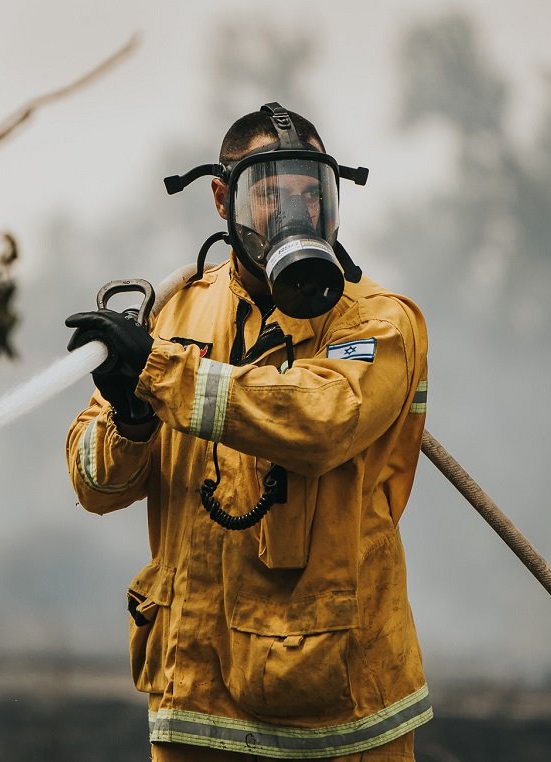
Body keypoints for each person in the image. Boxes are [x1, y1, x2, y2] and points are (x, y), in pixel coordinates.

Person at [65, 103, 431, 761]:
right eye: (271, 195)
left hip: (338, 715)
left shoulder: (375, 323)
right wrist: (133, 416)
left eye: (309, 196)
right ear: (221, 197)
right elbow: (93, 481)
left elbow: (322, 419)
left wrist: (161, 375)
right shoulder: (171, 313)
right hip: (194, 708)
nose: (296, 216)